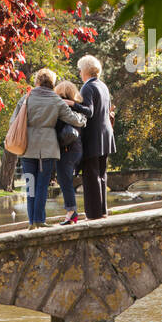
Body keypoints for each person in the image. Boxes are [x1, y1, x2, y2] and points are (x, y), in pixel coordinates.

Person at [11, 68, 86, 228]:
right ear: (52, 83)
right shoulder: (55, 100)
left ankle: (32, 221)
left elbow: (13, 122)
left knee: (30, 185)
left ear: (37, 81)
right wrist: (83, 118)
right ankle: (39, 219)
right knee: (42, 185)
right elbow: (74, 119)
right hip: (48, 147)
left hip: (27, 147)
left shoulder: (26, 98)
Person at [77, 55, 115, 220]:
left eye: (80, 70)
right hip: (106, 135)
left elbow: (89, 111)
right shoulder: (103, 86)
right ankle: (103, 210)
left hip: (93, 137)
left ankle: (93, 214)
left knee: (91, 176)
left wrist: (73, 104)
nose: (79, 73)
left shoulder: (87, 88)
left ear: (85, 70)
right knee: (101, 174)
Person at [53, 80, 92, 224]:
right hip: (77, 149)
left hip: (66, 149)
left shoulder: (61, 109)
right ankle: (72, 211)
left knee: (65, 181)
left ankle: (71, 212)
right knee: (66, 180)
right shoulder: (78, 109)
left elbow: (56, 127)